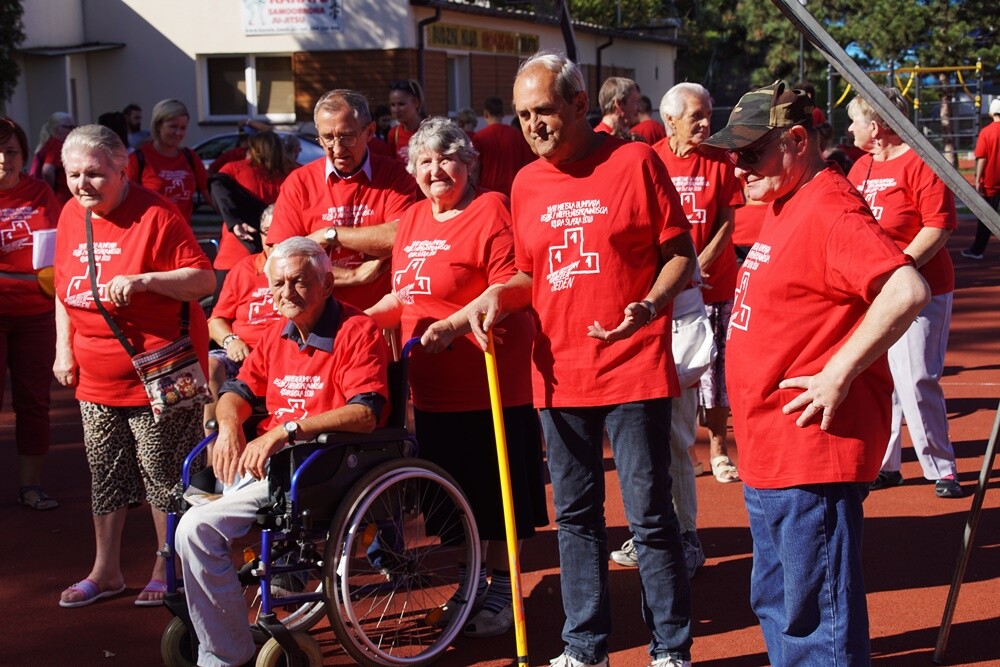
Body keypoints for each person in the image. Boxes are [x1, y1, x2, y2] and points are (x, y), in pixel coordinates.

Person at [469, 51, 696, 667]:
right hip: (558, 376)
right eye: (523, 115)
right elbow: (528, 275)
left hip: (633, 368)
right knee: (574, 518)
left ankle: (670, 650)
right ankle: (585, 647)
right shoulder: (525, 182)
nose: (533, 126)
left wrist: (648, 307)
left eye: (543, 111)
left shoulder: (635, 161)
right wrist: (495, 297)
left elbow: (681, 254)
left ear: (579, 104)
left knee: (649, 517)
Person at [701, 80, 930, 665]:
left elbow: (906, 290)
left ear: (797, 140)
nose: (738, 167)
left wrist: (838, 373)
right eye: (734, 155)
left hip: (808, 452)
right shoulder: (786, 200)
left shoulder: (829, 206)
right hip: (771, 449)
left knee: (812, 619)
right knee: (780, 603)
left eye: (751, 152)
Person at [366, 117, 547, 638]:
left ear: (469, 163)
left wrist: (453, 325)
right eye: (424, 161)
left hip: (487, 384)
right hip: (431, 392)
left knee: (495, 500)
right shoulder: (412, 218)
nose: (435, 169)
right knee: (455, 502)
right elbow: (403, 296)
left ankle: (501, 591)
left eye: (446, 158)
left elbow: (508, 289)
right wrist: (358, 322)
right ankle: (471, 585)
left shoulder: (491, 210)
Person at [175, 236, 389, 667]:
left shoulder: (357, 330)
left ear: (327, 284)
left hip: (316, 466)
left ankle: (225, 655)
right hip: (268, 464)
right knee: (187, 504)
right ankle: (224, 625)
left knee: (196, 530)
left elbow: (366, 413)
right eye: (277, 284)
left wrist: (285, 431)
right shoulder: (278, 333)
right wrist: (228, 425)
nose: (286, 293)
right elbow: (237, 390)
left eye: (299, 281)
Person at [53, 124, 215, 608]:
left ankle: (167, 567)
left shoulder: (156, 214)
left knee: (162, 471)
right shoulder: (70, 214)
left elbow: (203, 280)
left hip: (162, 367)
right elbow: (63, 288)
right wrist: (63, 349)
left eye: (95, 174)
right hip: (96, 372)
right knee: (106, 471)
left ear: (122, 170)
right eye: (74, 175)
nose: (82, 184)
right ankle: (105, 571)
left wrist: (146, 280)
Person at [847, 87, 962, 498]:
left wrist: (901, 267)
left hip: (920, 290)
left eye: (855, 122)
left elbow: (939, 226)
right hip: (875, 291)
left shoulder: (921, 162)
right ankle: (886, 465)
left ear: (876, 127)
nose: (850, 129)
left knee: (915, 378)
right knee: (880, 379)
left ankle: (942, 468)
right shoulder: (860, 167)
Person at [654, 82, 742, 485]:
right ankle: (685, 450)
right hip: (672, 289)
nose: (706, 123)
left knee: (717, 374)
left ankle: (720, 449)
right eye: (696, 116)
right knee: (679, 373)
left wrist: (698, 265)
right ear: (670, 120)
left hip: (714, 284)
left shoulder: (719, 159)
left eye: (708, 114)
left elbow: (727, 223)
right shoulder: (652, 159)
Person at [268, 89, 417, 311]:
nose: (337, 149)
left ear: (370, 131)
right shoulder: (299, 182)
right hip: (320, 316)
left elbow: (399, 237)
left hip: (382, 313)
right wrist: (352, 276)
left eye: (347, 137)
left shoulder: (395, 176)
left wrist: (328, 235)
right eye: (327, 138)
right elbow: (280, 261)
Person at [1, 116, 60, 511]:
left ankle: (31, 486)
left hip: (37, 313)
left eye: (10, 151)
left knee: (34, 402)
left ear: (23, 155)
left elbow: (61, 244)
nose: (3, 159)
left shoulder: (40, 192)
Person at [203, 205, 282, 431]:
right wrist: (231, 341)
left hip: (285, 354)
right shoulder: (244, 269)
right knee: (210, 366)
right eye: (266, 232)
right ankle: (213, 446)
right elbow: (215, 321)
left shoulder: (304, 269)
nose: (272, 241)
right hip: (242, 353)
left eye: (279, 233)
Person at [212, 131, 294, 275]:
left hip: (236, 252)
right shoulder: (296, 173)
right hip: (281, 253)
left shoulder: (234, 170)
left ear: (253, 149)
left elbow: (217, 188)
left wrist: (233, 221)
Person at [127, 98, 210, 222]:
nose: (178, 133)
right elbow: (126, 201)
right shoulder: (138, 159)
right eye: (173, 126)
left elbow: (210, 194)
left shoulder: (190, 157)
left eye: (183, 128)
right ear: (158, 125)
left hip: (182, 231)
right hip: (150, 231)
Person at [470, 96, 534, 197]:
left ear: (485, 114)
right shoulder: (516, 134)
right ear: (503, 113)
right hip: (513, 191)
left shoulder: (479, 137)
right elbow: (527, 163)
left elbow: (475, 168)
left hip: (487, 193)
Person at [962, 98, 1000, 259]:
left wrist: (978, 179)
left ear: (991, 112)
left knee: (986, 218)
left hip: (992, 182)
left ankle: (978, 250)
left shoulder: (987, 132)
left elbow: (982, 158)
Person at [31, 112, 76, 204]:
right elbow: (47, 171)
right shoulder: (56, 145)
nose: (71, 130)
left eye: (72, 127)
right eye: (67, 127)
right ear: (55, 128)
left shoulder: (49, 143)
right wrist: (50, 192)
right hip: (60, 200)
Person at [387, 79, 427, 164]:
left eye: (401, 104)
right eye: (393, 105)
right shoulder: (394, 134)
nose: (396, 110)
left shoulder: (431, 130)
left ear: (416, 102)